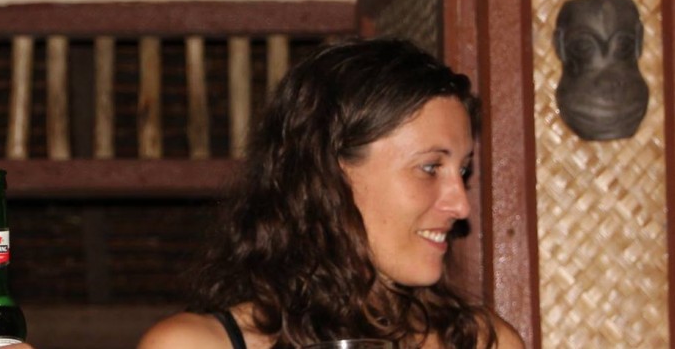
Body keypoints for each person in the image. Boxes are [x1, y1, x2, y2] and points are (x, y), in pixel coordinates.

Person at [138, 38, 524, 349]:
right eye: (429, 168)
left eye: (463, 171)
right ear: (330, 176)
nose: (460, 205)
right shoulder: (192, 344)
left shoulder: (484, 342)